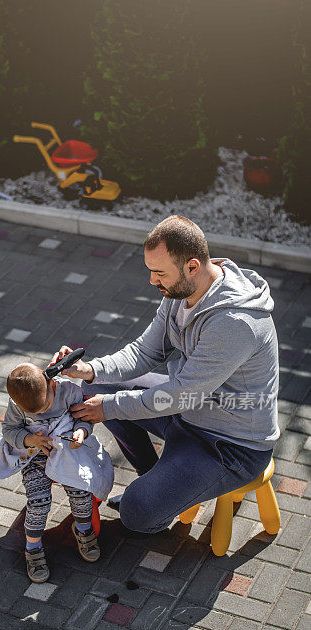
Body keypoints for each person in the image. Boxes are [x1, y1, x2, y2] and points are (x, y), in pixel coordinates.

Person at [50, 215, 279, 537]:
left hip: (228, 445)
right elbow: (146, 352)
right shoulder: (181, 294)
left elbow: (181, 394)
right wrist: (91, 369)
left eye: (160, 273)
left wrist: (110, 407)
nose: (153, 281)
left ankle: (158, 497)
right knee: (99, 385)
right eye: (150, 271)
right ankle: (157, 477)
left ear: (192, 266)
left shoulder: (236, 322)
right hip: (186, 411)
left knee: (137, 513)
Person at [0, 363, 114, 582]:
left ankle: (83, 529)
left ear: (52, 384)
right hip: (35, 455)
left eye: (45, 406)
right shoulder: (17, 405)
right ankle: (32, 547)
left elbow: (84, 418)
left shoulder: (68, 391)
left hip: (69, 450)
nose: (42, 412)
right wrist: (29, 439)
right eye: (35, 412)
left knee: (80, 490)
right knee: (39, 501)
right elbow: (10, 431)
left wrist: (81, 431)